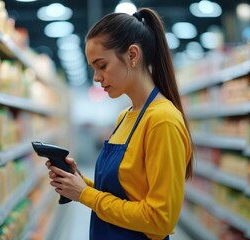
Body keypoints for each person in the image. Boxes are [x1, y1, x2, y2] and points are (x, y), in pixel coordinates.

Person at [46, 7, 193, 240]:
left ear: (133, 55)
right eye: (93, 68)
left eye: (102, 65)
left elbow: (160, 219)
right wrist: (78, 182)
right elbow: (125, 194)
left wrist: (86, 195)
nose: (96, 77)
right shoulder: (125, 116)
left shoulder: (162, 120)